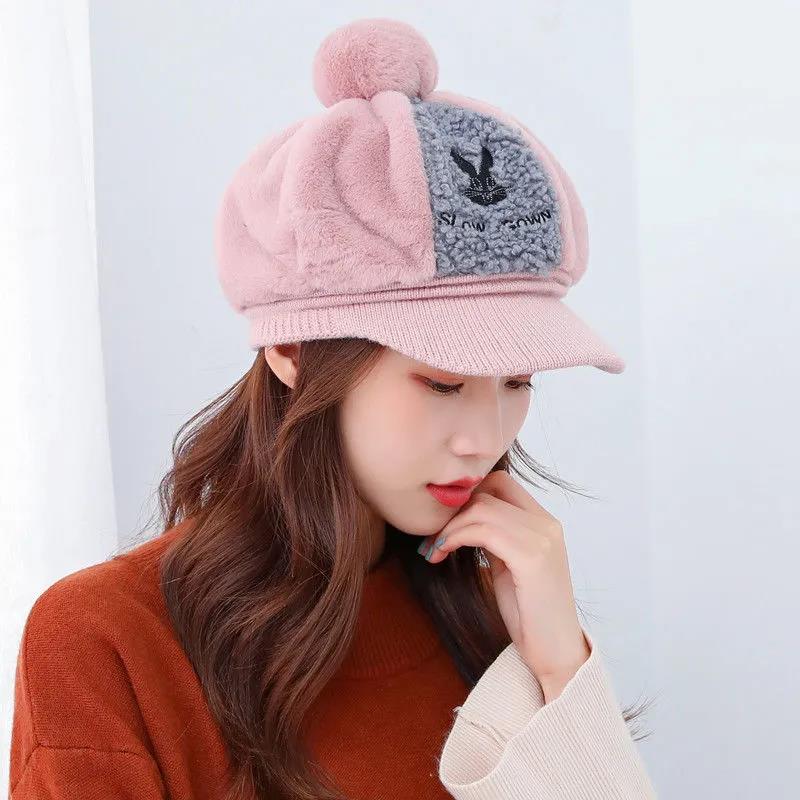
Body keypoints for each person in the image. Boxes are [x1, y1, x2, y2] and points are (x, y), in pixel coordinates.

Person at [7, 16, 657, 800]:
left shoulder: (498, 611)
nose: (483, 440)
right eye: (442, 384)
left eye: (518, 383)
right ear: (290, 350)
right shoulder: (108, 640)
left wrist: (559, 672)